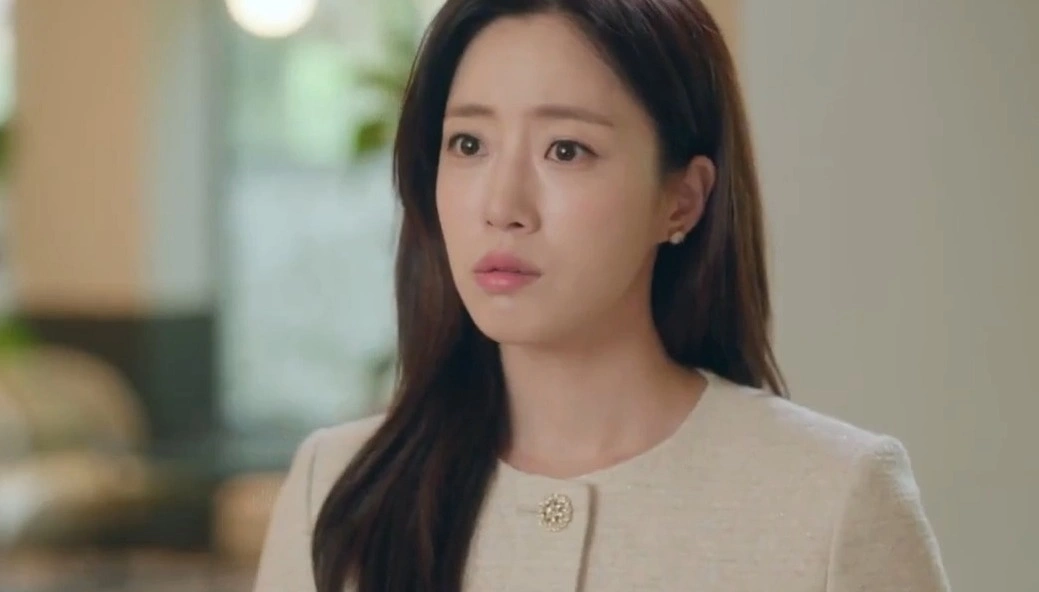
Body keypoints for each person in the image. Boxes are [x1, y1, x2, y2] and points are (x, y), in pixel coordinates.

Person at [253, 1, 950, 591]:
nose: (502, 205)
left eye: (566, 150)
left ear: (681, 199)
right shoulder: (338, 489)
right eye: (468, 144)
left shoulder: (831, 498)